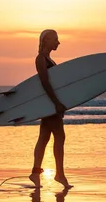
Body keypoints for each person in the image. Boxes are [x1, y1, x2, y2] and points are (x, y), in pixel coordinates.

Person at [29, 29, 73, 189]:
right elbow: (45, 83)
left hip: (48, 104)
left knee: (44, 138)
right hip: (49, 104)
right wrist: (56, 103)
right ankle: (59, 174)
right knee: (59, 137)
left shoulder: (48, 59)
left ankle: (35, 173)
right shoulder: (41, 59)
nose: (58, 42)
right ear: (46, 40)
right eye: (55, 39)